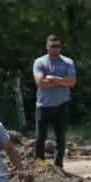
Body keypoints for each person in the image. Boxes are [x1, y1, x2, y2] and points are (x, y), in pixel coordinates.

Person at [32, 34, 77, 169]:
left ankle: (58, 167)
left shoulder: (68, 62)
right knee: (40, 137)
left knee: (60, 138)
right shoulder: (40, 62)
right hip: (43, 106)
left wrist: (52, 78)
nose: (56, 48)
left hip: (62, 105)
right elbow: (40, 83)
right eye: (53, 46)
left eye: (58, 46)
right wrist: (62, 81)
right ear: (47, 47)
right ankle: (40, 166)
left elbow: (72, 82)